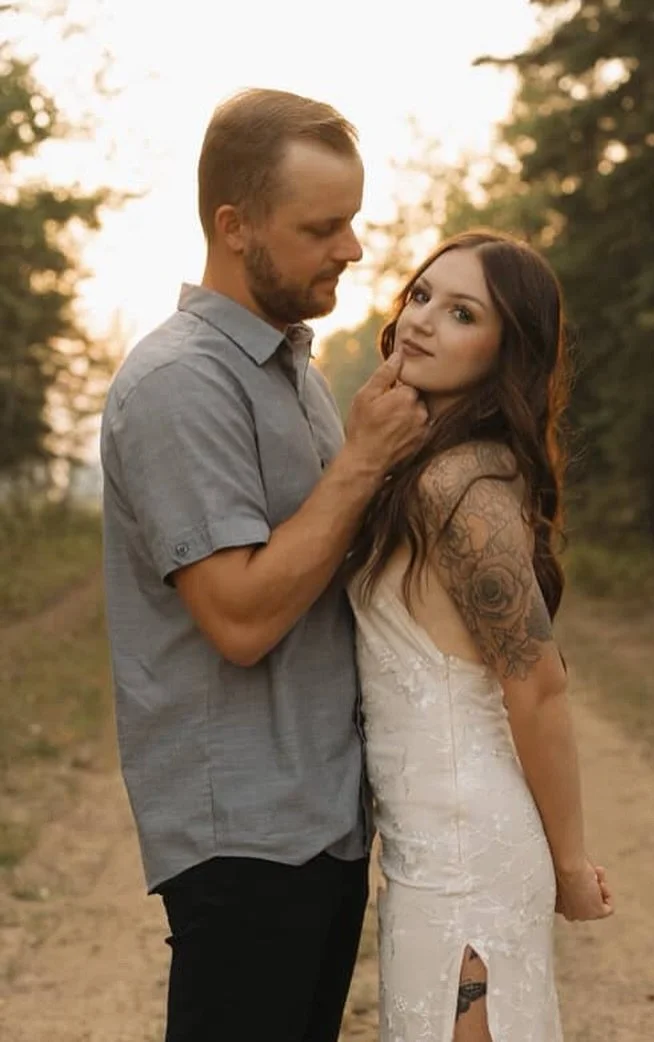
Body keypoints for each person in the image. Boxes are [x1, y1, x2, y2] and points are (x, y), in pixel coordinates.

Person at [99, 88, 428, 1042]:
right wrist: (363, 460)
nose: (353, 248)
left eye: (353, 221)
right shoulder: (178, 383)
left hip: (318, 818)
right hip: (243, 834)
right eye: (322, 227)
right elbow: (239, 619)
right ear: (233, 226)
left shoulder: (291, 370)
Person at [344, 229, 614, 1042]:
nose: (424, 321)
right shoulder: (421, 469)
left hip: (467, 863)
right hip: (426, 855)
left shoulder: (461, 486)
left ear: (507, 354)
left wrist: (570, 867)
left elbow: (537, 686)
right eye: (421, 296)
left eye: (461, 313)